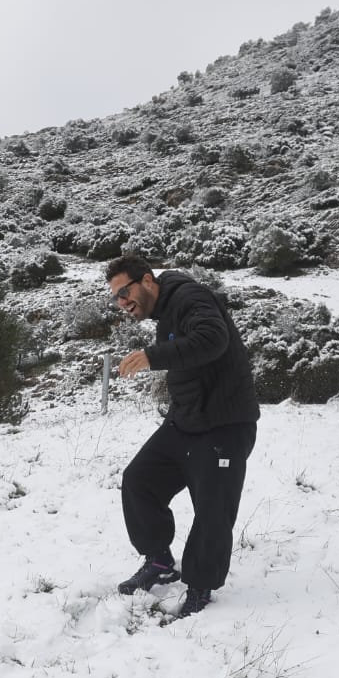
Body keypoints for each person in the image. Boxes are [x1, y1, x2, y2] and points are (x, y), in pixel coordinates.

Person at [107, 255, 261, 619]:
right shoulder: (166, 309)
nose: (122, 302)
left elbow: (212, 339)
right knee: (139, 480)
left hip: (224, 424)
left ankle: (200, 585)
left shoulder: (191, 298)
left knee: (212, 509)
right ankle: (159, 561)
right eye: (116, 297)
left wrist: (151, 356)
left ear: (147, 280)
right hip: (187, 421)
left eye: (125, 291)